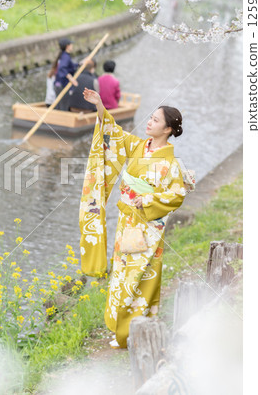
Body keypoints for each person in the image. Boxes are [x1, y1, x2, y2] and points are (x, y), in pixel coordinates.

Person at [79, 89, 195, 349]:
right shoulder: (137, 146)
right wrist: (99, 105)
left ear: (167, 130)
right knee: (121, 275)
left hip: (149, 227)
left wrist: (150, 201)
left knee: (140, 276)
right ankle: (122, 328)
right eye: (150, 118)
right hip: (126, 225)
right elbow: (112, 132)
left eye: (155, 120)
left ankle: (134, 332)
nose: (149, 122)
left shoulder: (171, 164)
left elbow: (176, 195)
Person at [54, 38, 79, 110]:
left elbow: (70, 66)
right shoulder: (65, 57)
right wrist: (71, 78)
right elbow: (62, 68)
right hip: (62, 85)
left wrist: (79, 64)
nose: (72, 46)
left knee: (60, 106)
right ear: (67, 46)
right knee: (64, 107)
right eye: (71, 44)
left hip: (58, 85)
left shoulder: (63, 55)